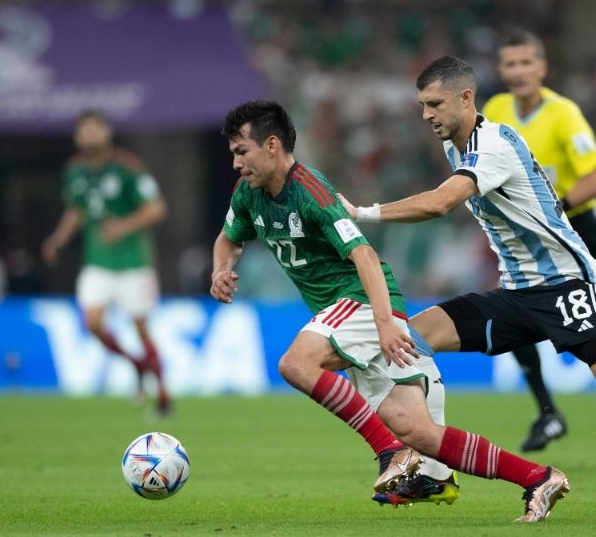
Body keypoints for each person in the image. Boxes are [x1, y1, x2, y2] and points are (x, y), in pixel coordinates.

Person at [343, 55, 596, 515]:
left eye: (434, 103)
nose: (425, 114)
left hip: (565, 284)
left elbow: (440, 203)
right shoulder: (456, 146)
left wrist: (360, 212)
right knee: (410, 340)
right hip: (517, 293)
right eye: (422, 105)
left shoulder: (491, 144)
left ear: (466, 98)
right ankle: (434, 475)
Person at [211, 99, 573, 522]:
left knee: (296, 364)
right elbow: (228, 238)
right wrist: (222, 268)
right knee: (417, 431)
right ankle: (538, 477)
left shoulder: (311, 192)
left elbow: (364, 255)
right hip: (350, 316)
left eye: (242, 152)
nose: (236, 164)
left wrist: (384, 323)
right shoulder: (248, 194)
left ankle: (390, 454)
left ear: (272, 146)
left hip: (362, 303)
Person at [482, 30, 596, 458]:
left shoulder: (564, 114)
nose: (518, 72)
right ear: (501, 71)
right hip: (524, 239)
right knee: (510, 317)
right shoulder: (495, 110)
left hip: (575, 233)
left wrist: (554, 207)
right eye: (510, 65)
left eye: (525, 63)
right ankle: (548, 412)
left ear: (541, 67)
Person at [42, 110, 171, 416]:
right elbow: (76, 209)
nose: (90, 136)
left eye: (94, 129)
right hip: (98, 261)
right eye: (84, 131)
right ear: (77, 137)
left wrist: (123, 226)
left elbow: (157, 208)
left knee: (141, 326)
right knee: (93, 322)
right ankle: (136, 364)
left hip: (134, 261)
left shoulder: (127, 167)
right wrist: (59, 238)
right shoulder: (74, 170)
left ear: (106, 132)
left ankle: (163, 393)